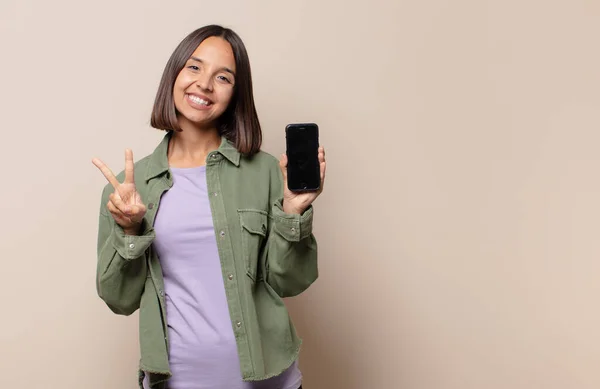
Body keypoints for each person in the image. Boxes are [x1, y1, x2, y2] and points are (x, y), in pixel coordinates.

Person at [92, 25, 326, 389]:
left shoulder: (264, 171)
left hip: (270, 380)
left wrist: (292, 214)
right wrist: (128, 231)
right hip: (178, 380)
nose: (204, 84)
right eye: (194, 67)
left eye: (223, 77)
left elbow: (290, 281)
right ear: (174, 75)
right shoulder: (130, 189)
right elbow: (119, 300)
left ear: (235, 94)